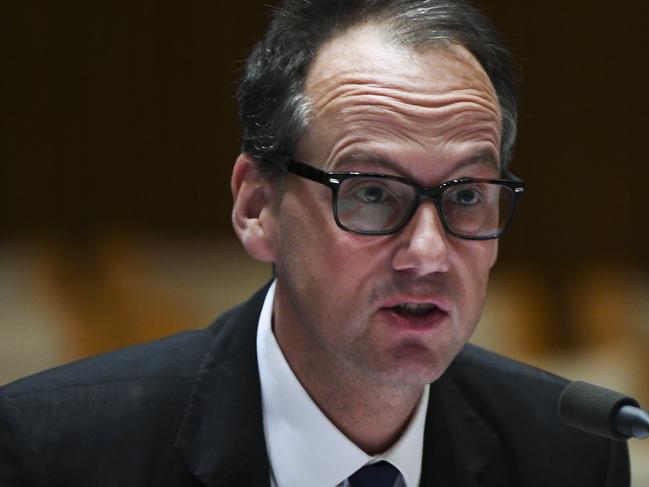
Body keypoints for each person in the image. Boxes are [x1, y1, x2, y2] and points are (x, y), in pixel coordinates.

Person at [0, 0, 630, 486]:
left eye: (467, 196)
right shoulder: (57, 450)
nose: (430, 255)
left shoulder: (569, 450)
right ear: (256, 207)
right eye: (373, 193)